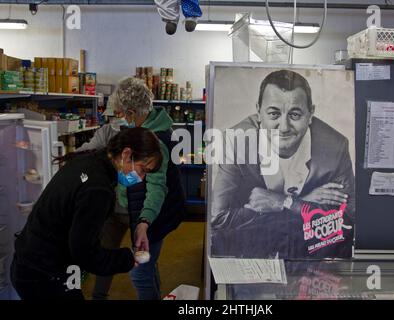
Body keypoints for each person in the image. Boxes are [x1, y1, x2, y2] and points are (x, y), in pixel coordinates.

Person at [211, 69, 355, 259]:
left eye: (295, 115)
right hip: (249, 251)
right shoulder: (236, 143)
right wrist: (305, 203)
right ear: (259, 111)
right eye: (273, 114)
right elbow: (218, 219)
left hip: (307, 255)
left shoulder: (335, 147)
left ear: (311, 114)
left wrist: (285, 202)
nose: (284, 127)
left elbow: (348, 220)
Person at [11, 128, 163, 300]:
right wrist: (127, 258)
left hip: (32, 260)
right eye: (142, 169)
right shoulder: (98, 188)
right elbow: (85, 253)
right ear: (126, 154)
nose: (141, 178)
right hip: (43, 274)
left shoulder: (90, 160)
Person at [78, 77, 185, 300]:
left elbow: (156, 188)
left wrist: (144, 222)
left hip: (151, 213)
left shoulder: (155, 142)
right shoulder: (136, 130)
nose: (119, 118)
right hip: (129, 206)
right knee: (138, 262)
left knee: (140, 273)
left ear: (131, 112)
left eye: (120, 113)